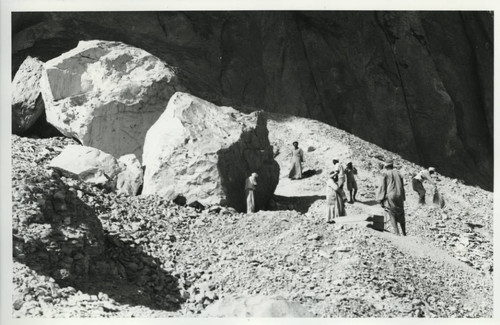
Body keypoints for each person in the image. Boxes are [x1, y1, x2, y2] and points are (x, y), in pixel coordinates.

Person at [376, 160, 406, 236]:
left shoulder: (385, 173)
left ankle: (397, 232)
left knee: (391, 212)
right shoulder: (398, 173)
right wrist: (403, 197)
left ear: (386, 166)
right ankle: (404, 232)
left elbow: (382, 186)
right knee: (401, 212)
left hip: (390, 195)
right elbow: (402, 186)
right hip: (399, 194)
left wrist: (380, 198)